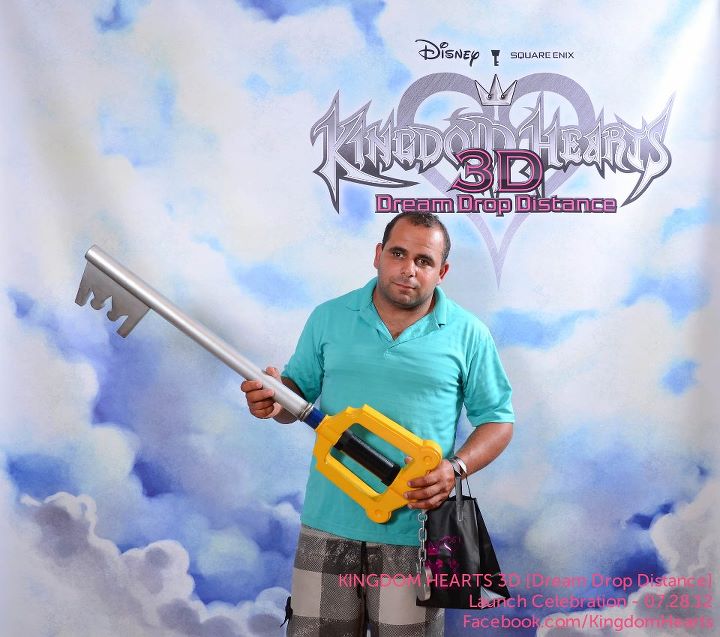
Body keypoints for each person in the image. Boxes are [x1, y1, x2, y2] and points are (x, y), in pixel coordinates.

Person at [241, 211, 514, 637]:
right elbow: (295, 397)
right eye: (398, 254)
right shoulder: (329, 317)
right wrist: (273, 401)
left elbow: (498, 421)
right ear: (378, 255)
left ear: (442, 272)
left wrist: (455, 468)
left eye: (424, 261)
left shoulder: (469, 334)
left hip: (415, 536)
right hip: (328, 524)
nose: (408, 269)